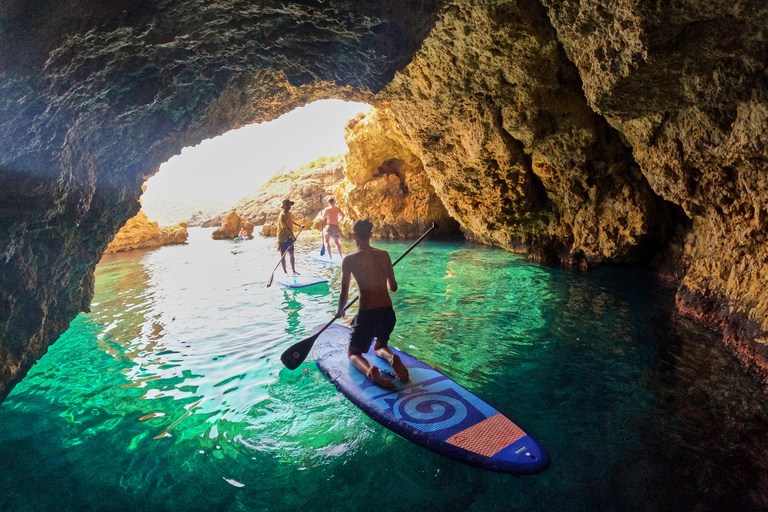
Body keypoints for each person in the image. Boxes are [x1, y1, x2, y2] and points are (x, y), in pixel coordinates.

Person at [335, 219, 408, 388]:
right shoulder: (384, 255)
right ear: (371, 235)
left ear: (354, 236)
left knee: (353, 353)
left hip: (367, 314)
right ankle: (391, 358)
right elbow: (394, 287)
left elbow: (343, 294)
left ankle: (369, 371)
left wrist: (340, 311)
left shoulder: (349, 259)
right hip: (387, 313)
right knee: (380, 345)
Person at [277, 199, 304, 275]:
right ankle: (285, 272)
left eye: (289, 205)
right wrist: (293, 236)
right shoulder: (282, 215)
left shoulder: (289, 213)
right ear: (283, 206)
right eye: (286, 205)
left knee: (291, 253)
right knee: (283, 255)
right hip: (282, 238)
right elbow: (287, 227)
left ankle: (293, 270)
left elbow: (291, 221)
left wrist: (299, 226)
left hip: (289, 237)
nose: (288, 206)